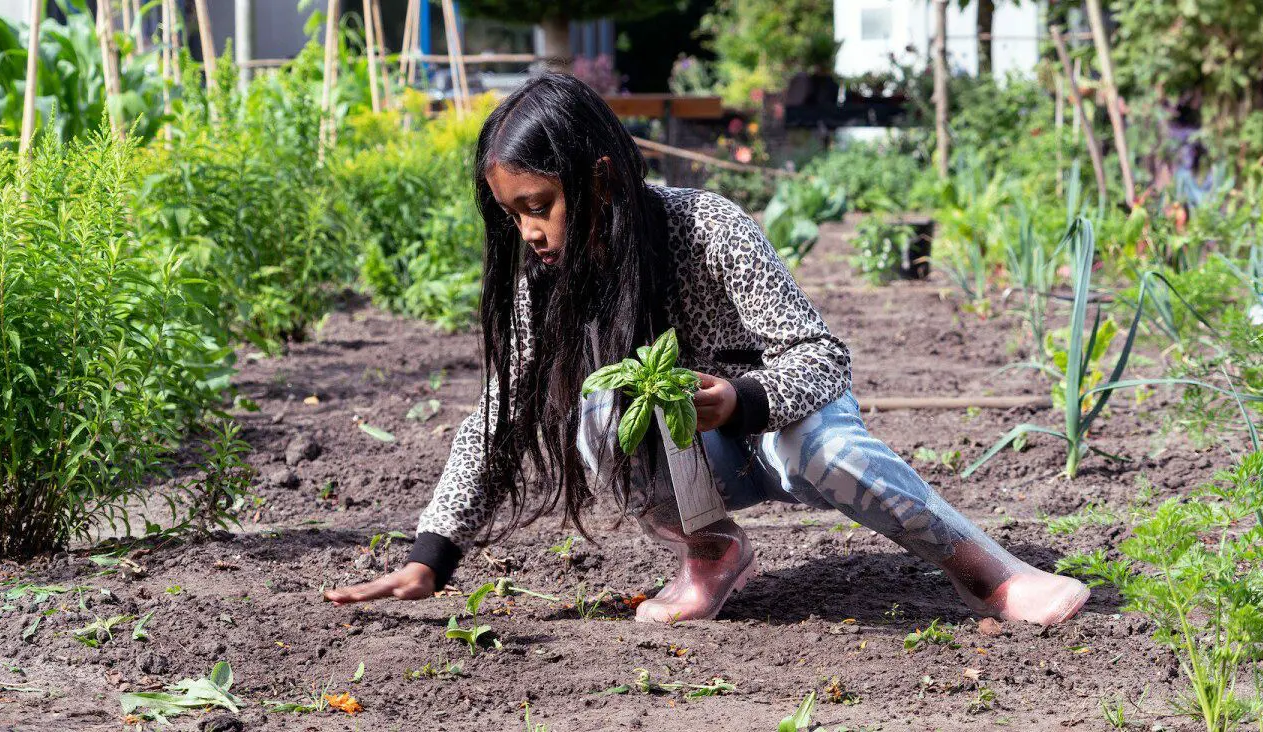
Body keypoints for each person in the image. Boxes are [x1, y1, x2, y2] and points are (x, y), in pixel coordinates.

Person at [323, 73, 1089, 625]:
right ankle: (711, 555)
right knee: (597, 412)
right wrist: (434, 552)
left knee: (837, 453)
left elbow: (821, 357)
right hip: (697, 467)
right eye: (512, 212)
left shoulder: (705, 228)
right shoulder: (548, 281)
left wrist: (740, 399)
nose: (527, 229)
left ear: (598, 180)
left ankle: (989, 574)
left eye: (540, 206)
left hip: (790, 427)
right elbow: (501, 416)